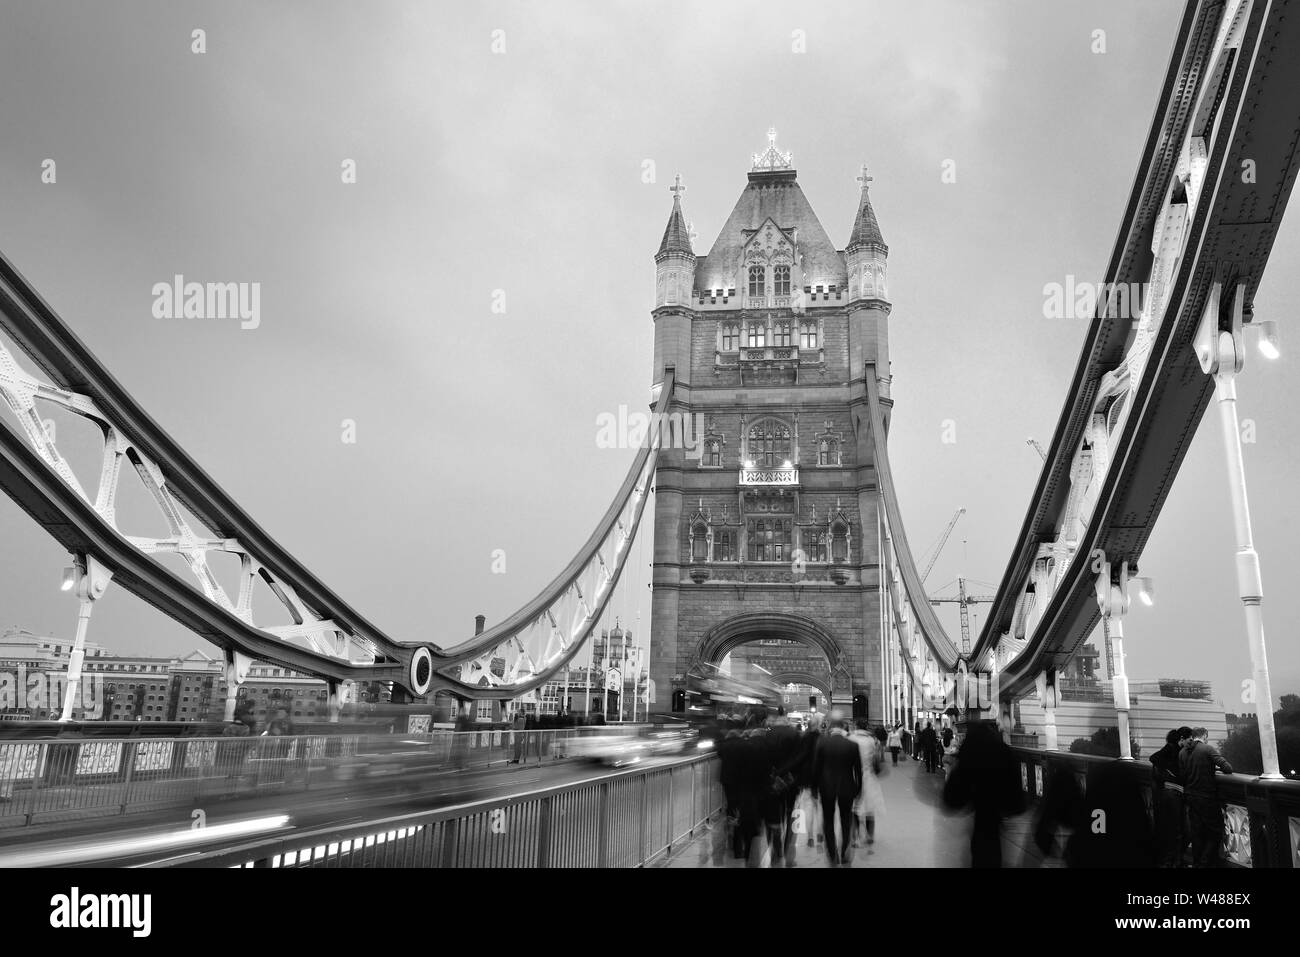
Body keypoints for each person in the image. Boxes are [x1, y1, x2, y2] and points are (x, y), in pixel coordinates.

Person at [942, 721, 1024, 868]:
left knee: (980, 855)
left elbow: (952, 798)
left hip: (978, 822)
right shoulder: (1004, 752)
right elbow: (1017, 801)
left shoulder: (970, 754)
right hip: (998, 823)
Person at [812, 713, 862, 866]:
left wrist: (814, 789)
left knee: (828, 821)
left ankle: (832, 854)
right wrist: (859, 791)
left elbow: (816, 769)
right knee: (846, 821)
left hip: (826, 788)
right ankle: (845, 852)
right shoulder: (852, 745)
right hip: (847, 788)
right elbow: (858, 772)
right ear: (842, 726)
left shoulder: (821, 743)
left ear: (831, 726)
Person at [1179, 727, 1232, 868]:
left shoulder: (1182, 752)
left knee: (1197, 832)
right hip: (1206, 797)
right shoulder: (1207, 749)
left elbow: (1183, 776)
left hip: (1190, 796)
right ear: (1204, 736)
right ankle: (1205, 862)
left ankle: (1196, 862)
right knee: (1216, 830)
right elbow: (1228, 768)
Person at [1150, 727, 1191, 866]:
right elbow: (1154, 758)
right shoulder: (1172, 748)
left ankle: (1172, 861)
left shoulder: (1177, 749)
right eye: (1189, 740)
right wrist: (1172, 771)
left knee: (1175, 829)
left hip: (1170, 793)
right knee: (1179, 830)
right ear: (1181, 739)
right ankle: (1175, 861)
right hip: (1174, 793)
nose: (1190, 743)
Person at [849, 719, 884, 850]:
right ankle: (869, 836)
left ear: (856, 725)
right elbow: (877, 758)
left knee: (855, 808)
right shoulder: (872, 740)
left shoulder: (850, 738)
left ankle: (855, 837)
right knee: (869, 808)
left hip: (854, 776)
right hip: (869, 776)